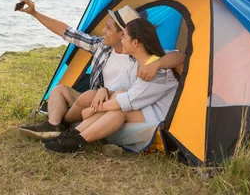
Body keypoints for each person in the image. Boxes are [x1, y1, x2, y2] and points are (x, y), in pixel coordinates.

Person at [17, 0, 184, 140]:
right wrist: (35, 13)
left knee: (90, 96)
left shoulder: (139, 54)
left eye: (108, 28)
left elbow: (178, 56)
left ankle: (62, 124)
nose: (103, 31)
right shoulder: (101, 47)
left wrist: (157, 64)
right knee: (60, 90)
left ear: (123, 34)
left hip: (117, 104)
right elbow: (67, 32)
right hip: (97, 99)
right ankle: (54, 124)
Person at [43, 18, 180, 153]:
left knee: (119, 108)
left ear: (136, 42)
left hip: (157, 120)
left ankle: (77, 141)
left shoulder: (158, 72)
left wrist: (94, 110)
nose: (121, 40)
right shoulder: (137, 64)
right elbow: (121, 85)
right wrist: (104, 89)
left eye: (124, 37)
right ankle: (72, 135)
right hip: (141, 111)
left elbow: (128, 101)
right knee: (118, 94)